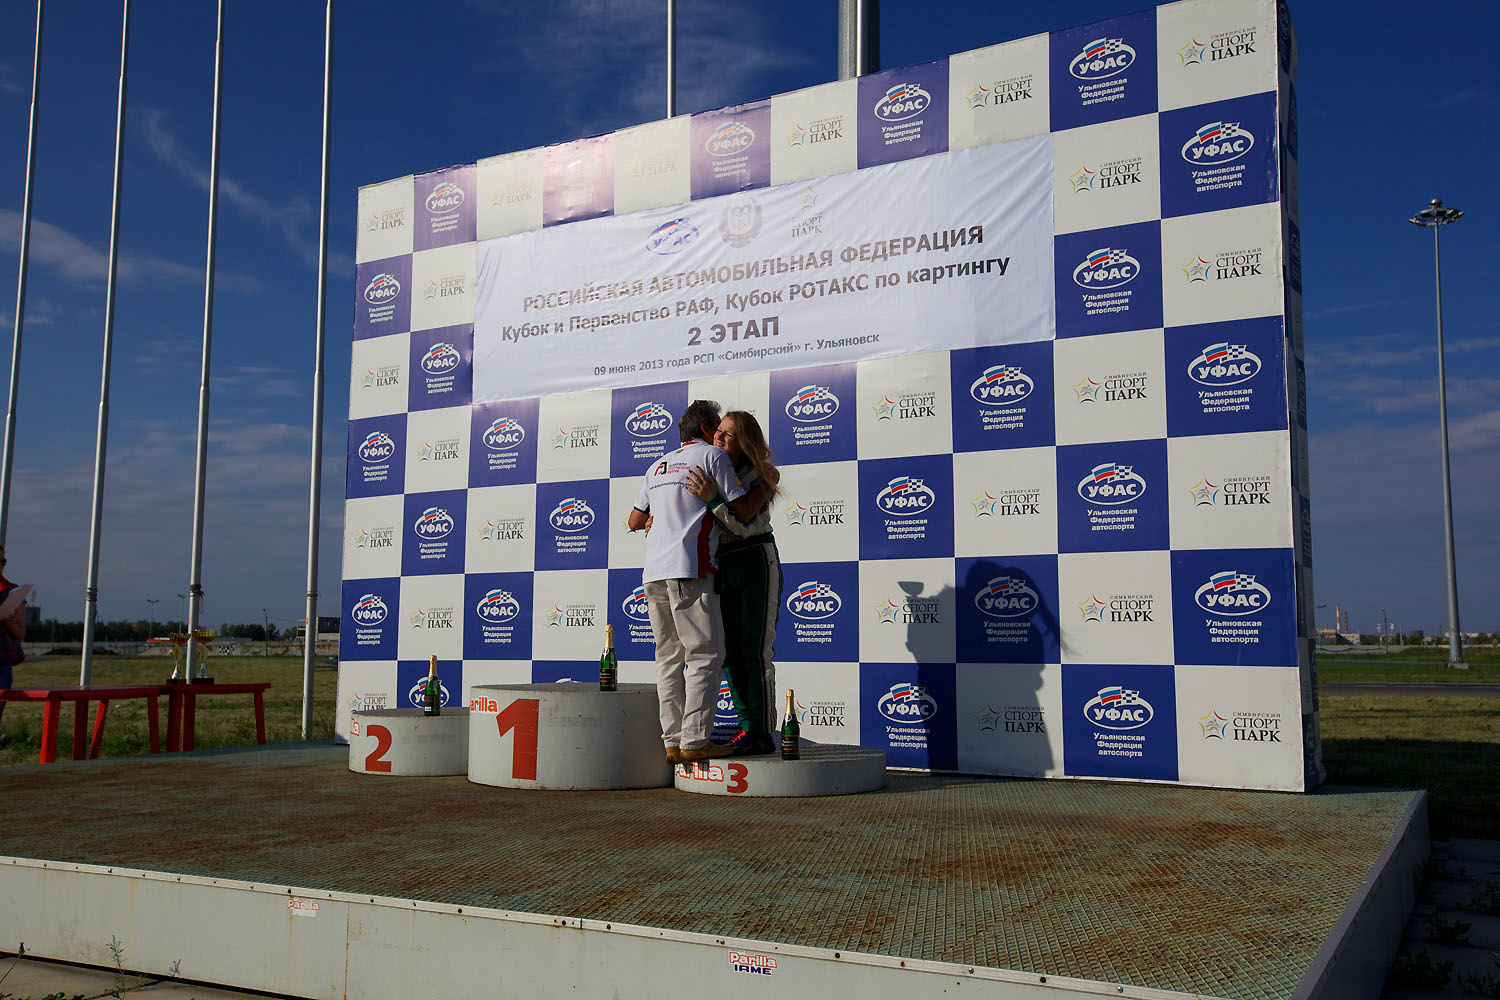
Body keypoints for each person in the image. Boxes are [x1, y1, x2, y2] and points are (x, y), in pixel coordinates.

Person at [626, 400, 765, 764]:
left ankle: (672, 742)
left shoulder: (656, 465)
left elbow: (634, 521)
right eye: (717, 428)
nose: (720, 435)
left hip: (653, 573)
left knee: (668, 659)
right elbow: (741, 510)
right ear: (706, 429)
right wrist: (757, 485)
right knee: (705, 655)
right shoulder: (711, 456)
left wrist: (658, 516)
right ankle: (695, 740)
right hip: (690, 567)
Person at [685, 411, 782, 756]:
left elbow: (743, 524)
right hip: (721, 564)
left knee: (754, 651)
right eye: (719, 432)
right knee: (729, 654)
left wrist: (713, 499)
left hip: (755, 558)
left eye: (729, 435)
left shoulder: (764, 473)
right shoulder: (709, 469)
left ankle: (761, 732)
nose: (720, 438)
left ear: (745, 442)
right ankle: (747, 727)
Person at [0, 546, 26, 725]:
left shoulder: (12, 592)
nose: (0, 565)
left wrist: (9, 622)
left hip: (1, 666)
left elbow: (20, 632)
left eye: (3, 561)